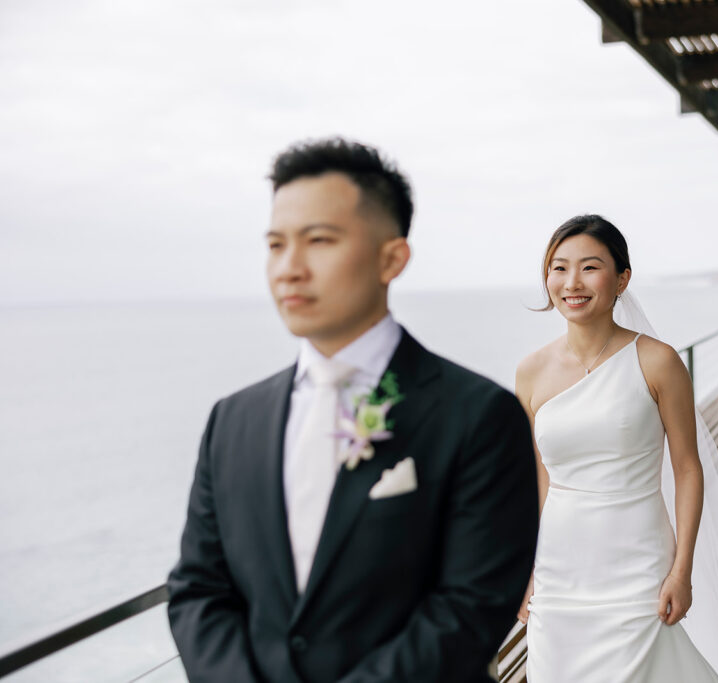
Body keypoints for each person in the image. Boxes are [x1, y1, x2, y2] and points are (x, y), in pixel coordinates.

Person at [167, 137, 538, 683]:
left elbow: (473, 605)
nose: (289, 268)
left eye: (318, 240)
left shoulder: (479, 415)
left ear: (392, 258)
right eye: (275, 245)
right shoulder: (232, 421)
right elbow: (198, 589)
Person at [515, 215, 718, 681]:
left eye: (589, 267)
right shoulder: (530, 372)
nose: (571, 283)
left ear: (622, 278)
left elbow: (688, 468)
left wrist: (681, 570)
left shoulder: (658, 361)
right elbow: (538, 479)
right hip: (558, 568)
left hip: (638, 559)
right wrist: (523, 567)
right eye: (558, 268)